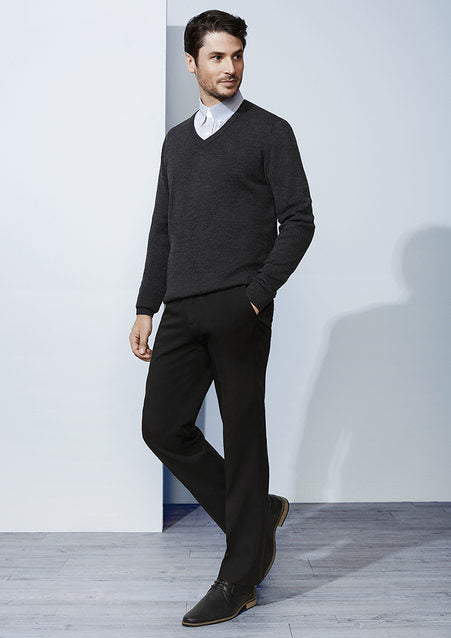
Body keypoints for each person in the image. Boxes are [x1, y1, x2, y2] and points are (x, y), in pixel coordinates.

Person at [128, 9, 315, 627]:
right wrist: (146, 306)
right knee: (163, 427)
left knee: (243, 435)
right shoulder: (177, 142)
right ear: (192, 64)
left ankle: (240, 577)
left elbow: (299, 220)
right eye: (216, 56)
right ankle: (257, 518)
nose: (230, 67)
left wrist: (257, 294)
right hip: (182, 308)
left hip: (240, 307)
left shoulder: (270, 132)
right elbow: (163, 228)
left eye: (237, 55)